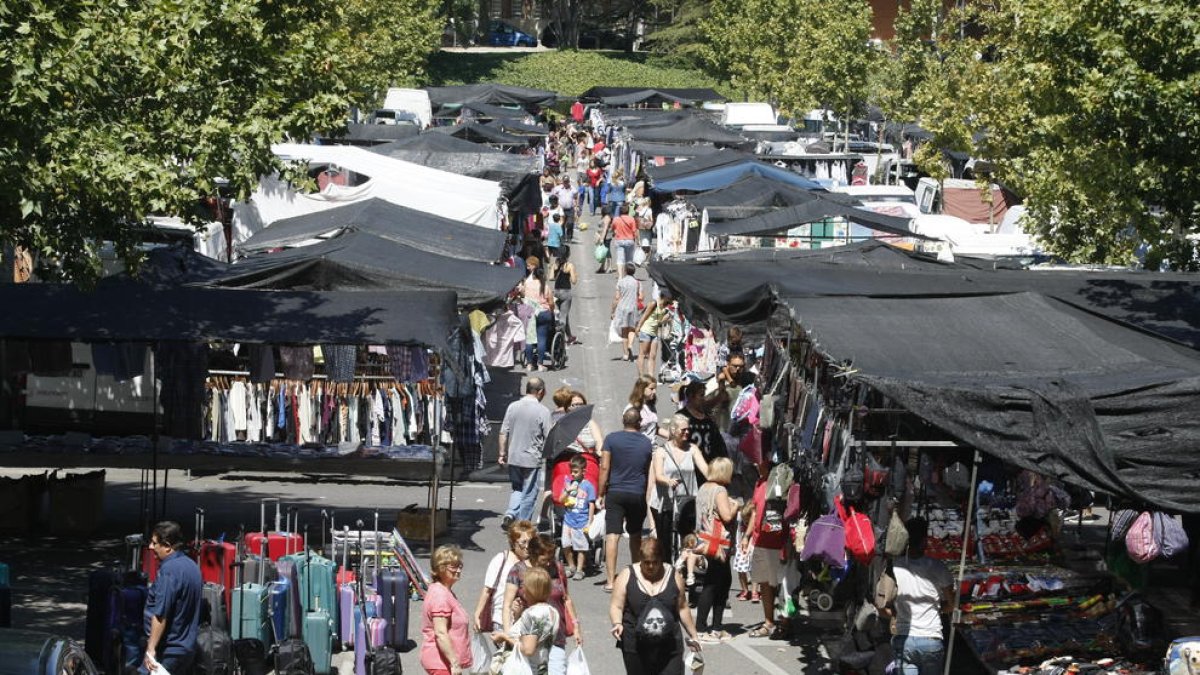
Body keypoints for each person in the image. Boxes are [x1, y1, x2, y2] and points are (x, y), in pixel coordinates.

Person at [609, 537, 703, 675]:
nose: (651, 567)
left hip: (670, 646)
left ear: (661, 560)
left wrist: (694, 635)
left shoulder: (674, 576)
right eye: (646, 563)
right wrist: (617, 623)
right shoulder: (626, 575)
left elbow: (682, 607)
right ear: (640, 559)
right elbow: (616, 606)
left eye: (655, 562)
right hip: (635, 646)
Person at [881, 518, 954, 675]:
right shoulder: (938, 567)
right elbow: (952, 603)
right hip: (930, 639)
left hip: (903, 639)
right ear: (924, 541)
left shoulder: (893, 566)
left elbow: (882, 605)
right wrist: (939, 610)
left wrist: (895, 614)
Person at [502, 536, 581, 675]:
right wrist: (508, 634)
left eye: (551, 558)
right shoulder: (518, 571)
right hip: (528, 637)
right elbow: (507, 604)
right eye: (545, 559)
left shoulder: (557, 568)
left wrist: (576, 627)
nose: (549, 563)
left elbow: (566, 599)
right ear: (532, 554)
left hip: (555, 637)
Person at [599, 407, 655, 592]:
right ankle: (636, 576)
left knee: (612, 536)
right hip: (636, 492)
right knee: (635, 535)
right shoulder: (646, 443)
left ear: (623, 420)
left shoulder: (611, 439)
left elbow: (605, 467)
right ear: (639, 423)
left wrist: (600, 493)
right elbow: (647, 469)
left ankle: (610, 580)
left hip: (615, 492)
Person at [142, 521, 203, 675]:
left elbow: (161, 614)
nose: (150, 547)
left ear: (167, 546)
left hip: (169, 651)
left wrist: (151, 649)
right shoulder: (192, 566)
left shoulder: (169, 571)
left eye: (154, 543)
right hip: (187, 648)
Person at [693, 457, 741, 642]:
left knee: (721, 582)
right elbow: (727, 517)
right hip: (718, 544)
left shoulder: (704, 488)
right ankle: (704, 628)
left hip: (705, 539)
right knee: (714, 584)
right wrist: (735, 506)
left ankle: (716, 627)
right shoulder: (720, 490)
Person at [649, 415, 708, 562]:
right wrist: (668, 481)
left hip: (687, 503)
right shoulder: (661, 451)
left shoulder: (692, 449)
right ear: (674, 430)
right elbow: (658, 476)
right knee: (665, 543)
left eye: (688, 429)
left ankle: (686, 572)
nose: (687, 432)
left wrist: (716, 479)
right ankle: (667, 572)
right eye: (683, 430)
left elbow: (706, 471)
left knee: (688, 540)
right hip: (666, 503)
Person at [498, 378, 552, 527]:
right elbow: (549, 436)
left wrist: (502, 453)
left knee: (517, 488)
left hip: (514, 456)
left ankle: (510, 513)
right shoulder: (543, 411)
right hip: (532, 458)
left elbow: (503, 432)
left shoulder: (513, 406)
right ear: (540, 391)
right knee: (529, 492)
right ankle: (523, 524)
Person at [495, 566, 560, 675]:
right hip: (541, 669)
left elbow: (528, 649)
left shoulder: (530, 614)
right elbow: (538, 638)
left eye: (524, 585)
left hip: (524, 669)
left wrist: (504, 637)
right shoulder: (553, 612)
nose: (522, 588)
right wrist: (518, 617)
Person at [745, 473, 788, 638]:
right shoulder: (759, 482)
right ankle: (768, 621)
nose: (756, 463)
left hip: (779, 539)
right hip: (761, 540)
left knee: (783, 583)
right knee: (764, 583)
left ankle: (785, 622)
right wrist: (747, 536)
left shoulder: (782, 477)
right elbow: (755, 512)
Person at [474, 520, 536, 632]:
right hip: (501, 619)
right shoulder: (501, 559)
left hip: (526, 620)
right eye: (523, 542)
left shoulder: (533, 562)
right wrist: (478, 614)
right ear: (513, 543)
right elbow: (487, 589)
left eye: (530, 542)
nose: (527, 547)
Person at [421, 545, 471, 675]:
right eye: (453, 566)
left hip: (443, 663)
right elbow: (440, 633)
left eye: (460, 566)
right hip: (441, 663)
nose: (458, 570)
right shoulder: (440, 595)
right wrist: (454, 662)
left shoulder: (444, 591)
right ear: (440, 568)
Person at [678, 380, 726, 486]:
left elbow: (717, 444)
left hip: (707, 467)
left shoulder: (708, 420)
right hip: (689, 469)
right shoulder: (681, 417)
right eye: (701, 395)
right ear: (690, 396)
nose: (703, 399)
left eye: (704, 395)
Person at [559, 455, 596, 580]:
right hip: (568, 519)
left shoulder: (588, 486)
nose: (572, 474)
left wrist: (590, 520)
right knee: (565, 544)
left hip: (581, 520)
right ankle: (571, 566)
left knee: (581, 546)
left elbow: (591, 504)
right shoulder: (568, 483)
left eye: (575, 472)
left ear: (583, 471)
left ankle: (580, 569)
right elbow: (560, 499)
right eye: (571, 472)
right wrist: (568, 491)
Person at [522, 264, 555, 371]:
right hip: (543, 313)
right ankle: (540, 364)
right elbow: (551, 303)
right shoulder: (545, 287)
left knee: (530, 338)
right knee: (542, 338)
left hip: (530, 312)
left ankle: (529, 364)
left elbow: (523, 295)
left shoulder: (528, 284)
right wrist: (552, 310)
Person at [634, 292, 673, 379]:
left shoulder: (666, 306)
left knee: (653, 355)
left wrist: (667, 317)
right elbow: (644, 316)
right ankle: (641, 376)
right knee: (642, 354)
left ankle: (650, 376)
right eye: (671, 298)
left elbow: (659, 322)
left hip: (655, 333)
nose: (672, 300)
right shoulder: (654, 303)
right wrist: (638, 327)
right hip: (646, 331)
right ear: (665, 296)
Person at [610, 265, 642, 362]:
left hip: (622, 308)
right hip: (633, 307)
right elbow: (640, 296)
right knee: (632, 328)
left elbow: (617, 298)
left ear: (625, 271)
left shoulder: (621, 282)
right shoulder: (637, 283)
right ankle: (630, 345)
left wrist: (612, 310)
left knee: (624, 331)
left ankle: (625, 354)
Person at [551, 247, 578, 345]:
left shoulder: (555, 264)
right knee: (563, 317)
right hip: (566, 292)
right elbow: (574, 281)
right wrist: (573, 275)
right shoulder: (569, 265)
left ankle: (569, 336)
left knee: (561, 315)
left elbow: (551, 278)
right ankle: (560, 338)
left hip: (556, 292)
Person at [623, 375, 659, 440]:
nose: (654, 391)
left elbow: (653, 428)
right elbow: (629, 434)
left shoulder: (650, 405)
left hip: (652, 445)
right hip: (639, 446)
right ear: (641, 389)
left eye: (655, 389)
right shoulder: (631, 410)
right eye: (651, 389)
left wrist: (671, 435)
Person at [611, 208, 639, 276]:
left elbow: (612, 228)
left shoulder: (616, 219)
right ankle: (629, 275)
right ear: (628, 211)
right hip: (629, 240)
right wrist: (638, 241)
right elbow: (634, 231)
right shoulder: (631, 219)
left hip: (619, 240)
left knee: (620, 260)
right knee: (629, 259)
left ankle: (620, 276)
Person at [595, 206, 614, 274]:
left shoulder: (607, 217)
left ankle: (609, 267)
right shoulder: (605, 217)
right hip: (603, 236)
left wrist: (602, 238)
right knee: (604, 252)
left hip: (606, 237)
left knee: (607, 251)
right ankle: (602, 267)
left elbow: (605, 228)